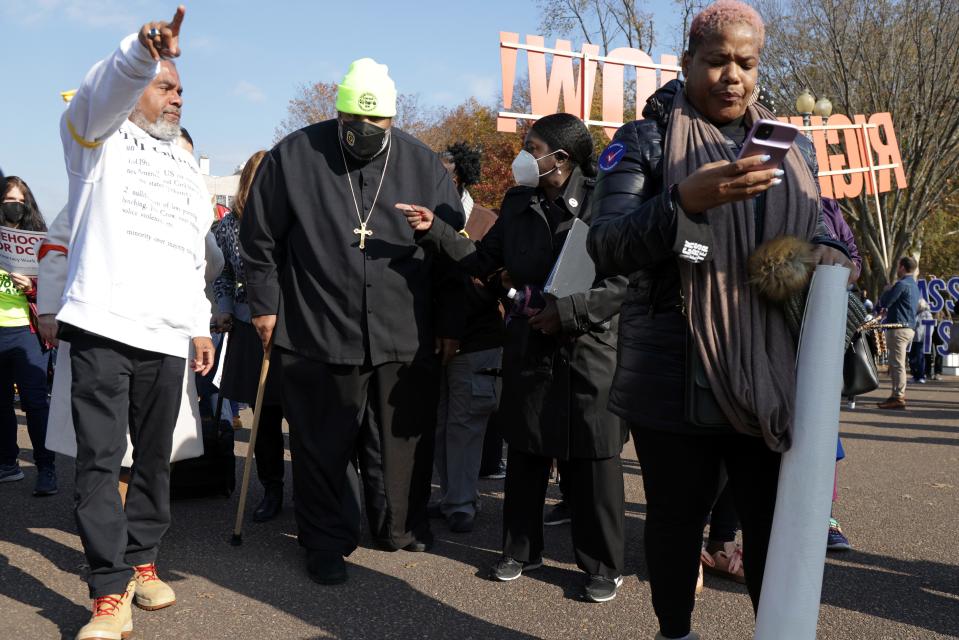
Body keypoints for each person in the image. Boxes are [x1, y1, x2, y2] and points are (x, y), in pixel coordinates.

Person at [585, 1, 853, 637]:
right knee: (677, 522)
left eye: (746, 62)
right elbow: (604, 245)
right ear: (687, 62)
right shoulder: (643, 140)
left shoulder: (793, 145)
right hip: (674, 373)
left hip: (770, 368)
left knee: (770, 524)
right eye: (716, 61)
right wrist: (682, 200)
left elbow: (826, 231)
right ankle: (675, 629)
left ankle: (775, 630)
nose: (732, 75)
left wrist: (825, 254)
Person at [240, 58, 465, 585]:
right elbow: (259, 241)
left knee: (398, 445)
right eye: (352, 121)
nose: (364, 133)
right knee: (322, 447)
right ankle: (325, 540)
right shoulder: (293, 156)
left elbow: (453, 250)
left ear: (392, 117)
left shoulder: (422, 163)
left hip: (402, 330)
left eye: (377, 125)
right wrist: (266, 306)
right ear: (338, 112)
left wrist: (451, 323)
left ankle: (396, 527)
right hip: (318, 326)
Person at [399, 112, 630, 603]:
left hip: (588, 349)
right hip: (529, 347)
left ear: (561, 159)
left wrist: (566, 314)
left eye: (534, 146)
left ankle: (603, 564)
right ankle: (521, 550)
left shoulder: (605, 198)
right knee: (525, 448)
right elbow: (483, 262)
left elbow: (620, 285)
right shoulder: (518, 202)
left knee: (594, 459)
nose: (525, 154)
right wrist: (436, 230)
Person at [35, 10, 215, 640]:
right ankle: (108, 592)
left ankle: (143, 561)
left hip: (165, 335)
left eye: (179, 89)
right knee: (98, 462)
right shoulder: (96, 141)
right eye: (165, 85)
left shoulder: (187, 167)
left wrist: (199, 326)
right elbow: (99, 94)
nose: (177, 95)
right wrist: (141, 54)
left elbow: (192, 256)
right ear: (136, 87)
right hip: (103, 328)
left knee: (155, 463)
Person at [429, 143, 505, 533]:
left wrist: (454, 329)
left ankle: (462, 502)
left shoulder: (487, 222)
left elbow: (485, 283)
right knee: (440, 423)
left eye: (444, 171)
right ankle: (448, 496)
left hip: (476, 341)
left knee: (465, 424)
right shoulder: (426, 219)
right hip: (434, 341)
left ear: (461, 175)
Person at [213, 149, 287, 521]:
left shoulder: (292, 220)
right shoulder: (228, 226)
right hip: (248, 326)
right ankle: (271, 487)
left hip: (293, 328)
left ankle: (312, 491)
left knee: (303, 413)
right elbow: (224, 273)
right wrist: (224, 307)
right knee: (265, 416)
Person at [0, 176, 56, 496]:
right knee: (1, 404)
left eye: (21, 202)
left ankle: (46, 467)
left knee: (35, 403)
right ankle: (8, 463)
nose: (14, 206)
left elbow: (55, 285)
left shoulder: (38, 241)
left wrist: (31, 287)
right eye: (9, 199)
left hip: (26, 332)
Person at [876, 256, 920, 409]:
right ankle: (895, 394)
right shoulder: (914, 286)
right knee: (896, 364)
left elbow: (885, 302)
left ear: (902, 267)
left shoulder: (901, 284)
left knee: (897, 364)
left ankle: (898, 396)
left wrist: (887, 290)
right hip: (906, 327)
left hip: (899, 328)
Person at [909, 297, 932, 384]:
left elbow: (930, 327)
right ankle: (915, 376)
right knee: (912, 358)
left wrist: (927, 337)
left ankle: (921, 376)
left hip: (920, 339)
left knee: (920, 358)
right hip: (912, 339)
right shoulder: (914, 313)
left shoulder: (926, 314)